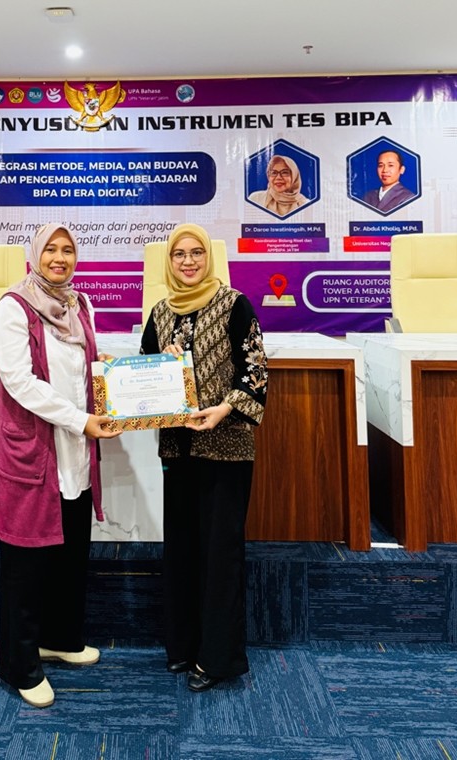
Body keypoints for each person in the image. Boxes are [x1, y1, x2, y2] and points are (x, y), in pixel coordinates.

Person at [0, 223, 121, 709]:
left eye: (68, 250)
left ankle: (59, 638)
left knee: (70, 551)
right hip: (32, 454)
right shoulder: (12, 308)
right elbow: (19, 381)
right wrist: (82, 420)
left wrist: (110, 381)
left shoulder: (80, 305)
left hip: (74, 450)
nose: (60, 258)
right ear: (35, 255)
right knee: (26, 563)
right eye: (51, 250)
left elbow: (81, 370)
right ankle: (18, 664)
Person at [140, 223, 268, 692]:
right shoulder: (160, 313)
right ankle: (182, 646)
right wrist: (161, 363)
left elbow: (256, 371)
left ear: (209, 257)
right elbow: (144, 377)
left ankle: (217, 658)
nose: (189, 261)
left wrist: (224, 410)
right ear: (169, 262)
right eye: (179, 254)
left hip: (226, 448)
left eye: (196, 253)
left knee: (219, 553)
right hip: (178, 449)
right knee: (182, 549)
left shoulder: (235, 305)